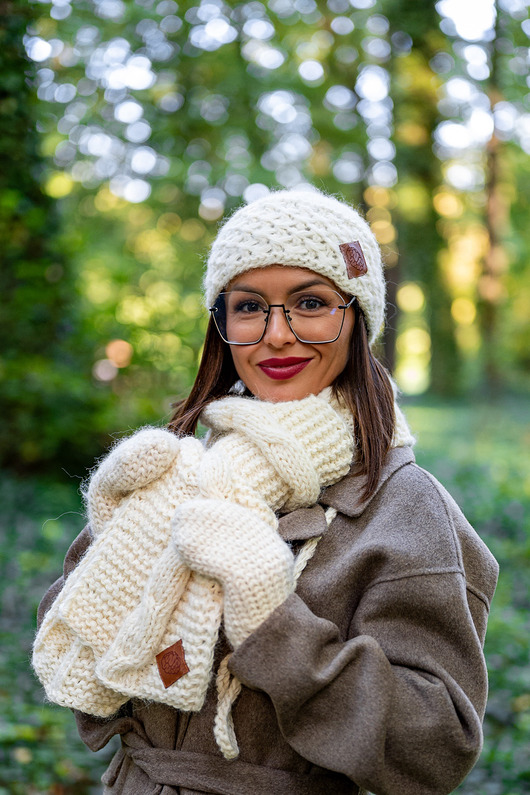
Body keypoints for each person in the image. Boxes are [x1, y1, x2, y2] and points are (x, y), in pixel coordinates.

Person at [33, 188, 499, 795]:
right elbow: (80, 671)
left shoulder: (405, 507)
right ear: (222, 324)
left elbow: (436, 750)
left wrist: (272, 621)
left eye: (310, 303)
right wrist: (112, 535)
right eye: (250, 306)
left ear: (356, 318)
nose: (277, 334)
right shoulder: (183, 471)